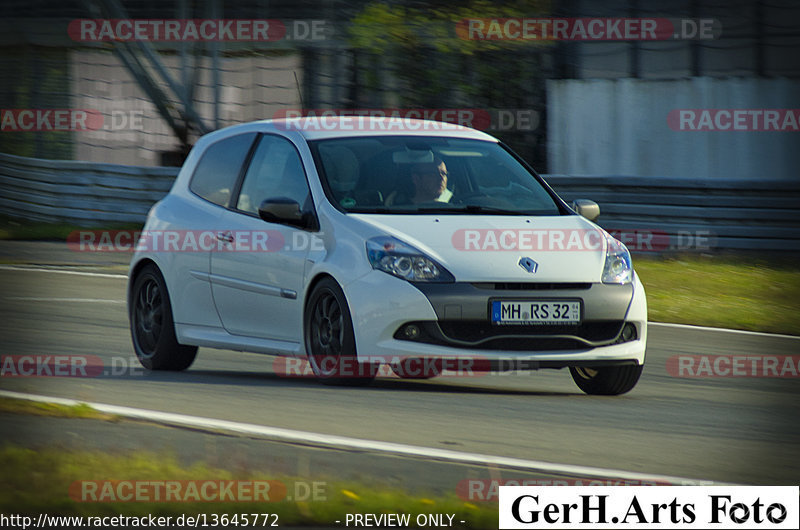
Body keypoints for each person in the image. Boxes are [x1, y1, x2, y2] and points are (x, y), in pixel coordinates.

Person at [386, 158, 452, 205]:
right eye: (433, 174)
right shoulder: (396, 206)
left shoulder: (455, 206)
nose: (441, 178)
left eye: (444, 174)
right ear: (416, 178)